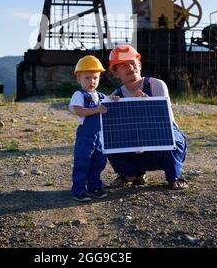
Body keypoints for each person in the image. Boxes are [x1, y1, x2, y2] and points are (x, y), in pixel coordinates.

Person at [108, 44, 188, 190]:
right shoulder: (115, 95)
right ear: (115, 73)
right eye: (123, 66)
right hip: (133, 141)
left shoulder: (156, 85)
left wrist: (147, 104)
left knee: (173, 139)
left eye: (132, 63)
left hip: (162, 137)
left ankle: (174, 177)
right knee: (108, 141)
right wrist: (111, 110)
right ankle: (131, 174)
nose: (130, 68)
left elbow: (164, 119)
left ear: (139, 64)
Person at [69, 55, 118, 202]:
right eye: (87, 78)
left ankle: (94, 186)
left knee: (99, 162)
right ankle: (78, 189)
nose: (92, 81)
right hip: (86, 136)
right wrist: (97, 110)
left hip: (100, 136)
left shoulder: (101, 95)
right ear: (79, 78)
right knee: (82, 161)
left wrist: (113, 100)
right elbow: (79, 111)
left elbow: (107, 107)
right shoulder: (79, 95)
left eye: (95, 78)